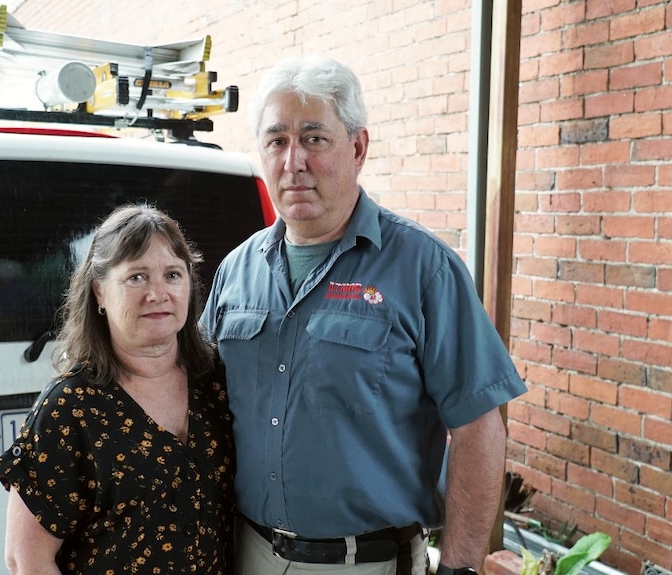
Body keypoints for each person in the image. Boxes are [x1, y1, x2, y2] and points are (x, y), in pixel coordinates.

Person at [199, 54, 528, 575]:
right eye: (276, 140)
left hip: (369, 562)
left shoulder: (423, 267)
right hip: (247, 553)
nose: (293, 161)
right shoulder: (236, 269)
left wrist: (461, 567)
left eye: (314, 138)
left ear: (357, 147)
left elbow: (479, 428)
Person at [0, 204, 235, 575]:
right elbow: (27, 560)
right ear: (99, 291)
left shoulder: (217, 380)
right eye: (137, 278)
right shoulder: (69, 409)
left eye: (172, 275)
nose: (158, 293)